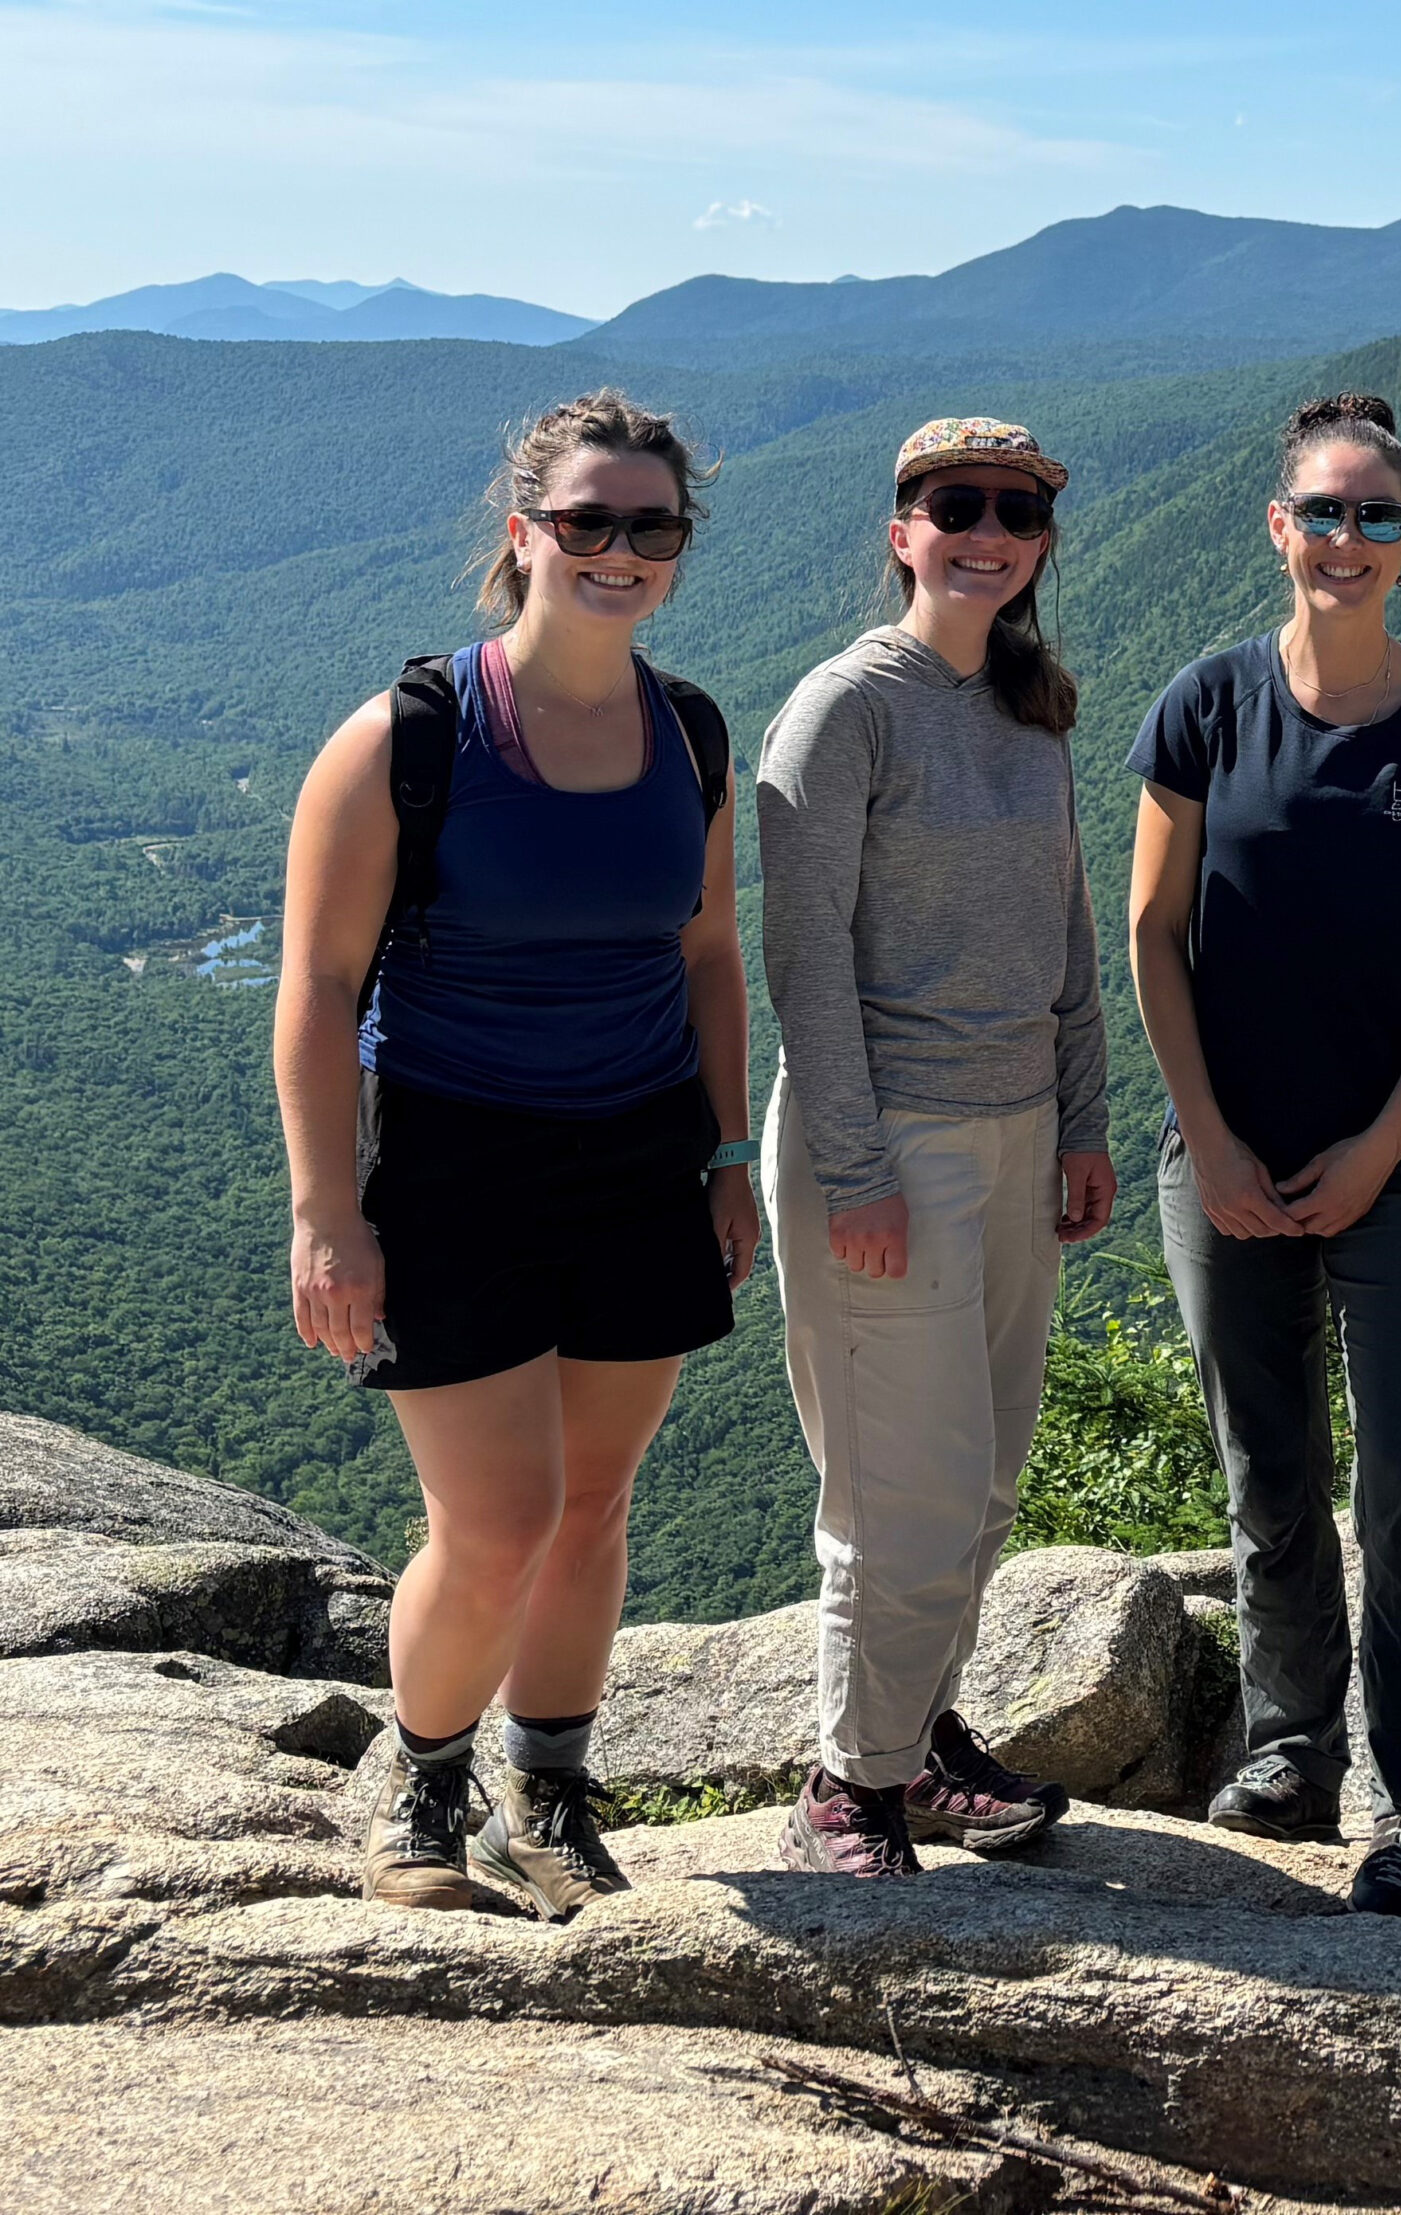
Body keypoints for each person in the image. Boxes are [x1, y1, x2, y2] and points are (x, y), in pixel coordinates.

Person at [276, 390, 756, 1920]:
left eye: (652, 526)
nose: (620, 550)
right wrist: (327, 1211)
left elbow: (710, 956)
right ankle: (425, 1777)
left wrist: (732, 1152)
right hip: (453, 1162)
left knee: (594, 1506)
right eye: (587, 522)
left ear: (681, 545)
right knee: (497, 1518)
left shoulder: (687, 730)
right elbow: (316, 990)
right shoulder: (408, 738)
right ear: (524, 535)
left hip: (639, 1156)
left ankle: (547, 1795)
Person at [1127, 393, 1401, 1915]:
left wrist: (1381, 1147)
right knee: (1269, 1466)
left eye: (1376, 518)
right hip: (1218, 1150)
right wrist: (1214, 1143)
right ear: (1279, 527)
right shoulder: (1208, 705)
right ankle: (1291, 1747)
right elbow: (1153, 934)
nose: (1347, 541)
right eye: (1323, 513)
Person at [759, 417, 1113, 1882]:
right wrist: (854, 1171)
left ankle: (914, 1736)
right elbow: (804, 961)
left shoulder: (1031, 705)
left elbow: (1071, 928)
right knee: (901, 1494)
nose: (988, 530)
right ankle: (850, 1784)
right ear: (901, 527)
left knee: (978, 1486)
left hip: (1017, 1130)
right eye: (955, 505)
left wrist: (1082, 1121)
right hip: (887, 1136)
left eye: (1016, 510)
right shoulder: (845, 710)